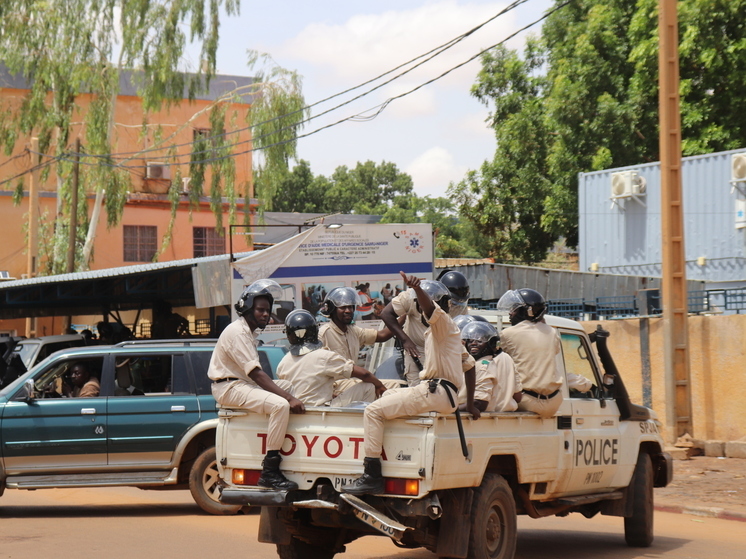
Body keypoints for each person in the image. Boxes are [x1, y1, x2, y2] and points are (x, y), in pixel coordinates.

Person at [343, 272, 480, 496]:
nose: (424, 310)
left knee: (373, 412)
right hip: (444, 393)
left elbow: (430, 309)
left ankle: (372, 475)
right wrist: (471, 404)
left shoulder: (443, 322)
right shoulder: (444, 332)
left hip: (435, 390)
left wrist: (417, 289)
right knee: (386, 399)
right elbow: (470, 365)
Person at [208, 279, 305, 491]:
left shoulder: (248, 331)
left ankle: (276, 435)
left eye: (267, 311)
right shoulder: (238, 332)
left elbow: (257, 376)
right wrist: (289, 399)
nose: (265, 314)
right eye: (260, 310)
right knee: (280, 404)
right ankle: (270, 471)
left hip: (239, 383)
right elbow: (256, 374)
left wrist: (288, 393)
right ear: (248, 308)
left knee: (287, 386)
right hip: (229, 388)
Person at [277, 310, 388, 407]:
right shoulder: (324, 356)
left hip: (300, 410)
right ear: (315, 331)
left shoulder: (283, 362)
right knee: (368, 386)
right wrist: (379, 385)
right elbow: (365, 374)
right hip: (323, 410)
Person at [319, 287, 404, 392]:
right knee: (376, 387)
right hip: (333, 388)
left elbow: (382, 335)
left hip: (350, 384)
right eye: (343, 307)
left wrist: (406, 314)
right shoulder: (324, 334)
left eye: (351, 307)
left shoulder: (353, 331)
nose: (348, 311)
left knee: (397, 385)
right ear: (332, 309)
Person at [497, 288, 564, 419]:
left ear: (527, 311)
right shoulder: (552, 332)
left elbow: (497, 360)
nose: (510, 313)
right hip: (555, 401)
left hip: (526, 401)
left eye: (514, 309)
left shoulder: (508, 334)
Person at [458, 321, 522, 412]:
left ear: (491, 343)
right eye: (470, 340)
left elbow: (480, 403)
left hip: (481, 419)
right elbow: (518, 397)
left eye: (480, 340)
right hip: (506, 415)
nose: (473, 343)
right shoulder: (506, 357)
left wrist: (453, 411)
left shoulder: (481, 365)